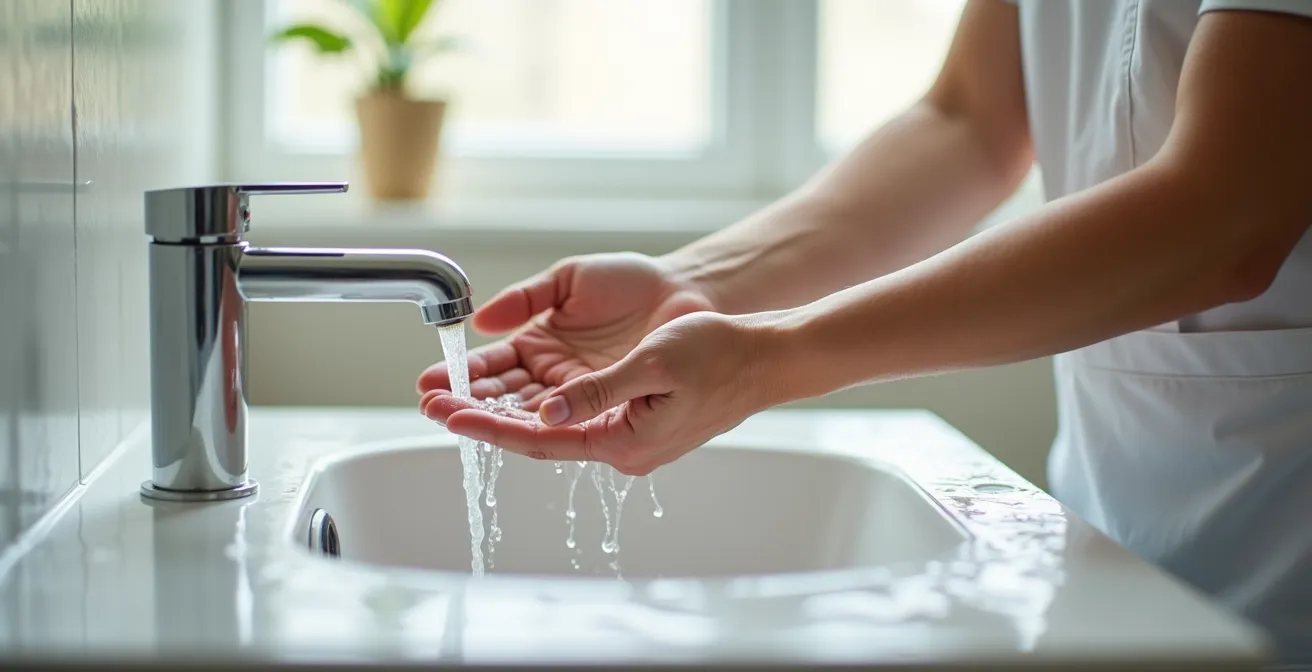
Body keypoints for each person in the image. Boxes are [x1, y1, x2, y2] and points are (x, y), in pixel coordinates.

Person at [418, 0, 1312, 664]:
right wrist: (701, 283)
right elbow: (967, 120)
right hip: (1108, 539)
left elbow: (1226, 211)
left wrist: (768, 357)